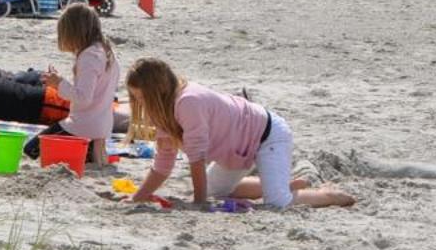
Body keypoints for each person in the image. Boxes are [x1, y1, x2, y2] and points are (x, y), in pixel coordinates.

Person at [123, 57, 355, 211]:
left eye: (142, 97)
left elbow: (197, 157)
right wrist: (139, 196)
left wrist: (200, 202)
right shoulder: (163, 111)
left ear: (158, 91)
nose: (140, 104)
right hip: (236, 149)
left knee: (278, 203)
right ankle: (282, 182)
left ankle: (327, 195)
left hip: (267, 135)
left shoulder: (187, 102)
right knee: (217, 190)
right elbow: (163, 164)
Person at [43, 3, 119, 166]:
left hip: (82, 127)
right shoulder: (105, 51)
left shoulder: (89, 56)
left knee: (33, 150)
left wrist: (58, 84)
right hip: (101, 127)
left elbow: (83, 98)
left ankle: (87, 151)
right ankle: (91, 151)